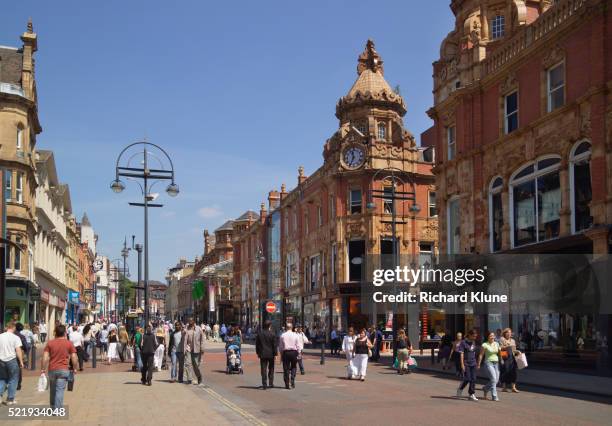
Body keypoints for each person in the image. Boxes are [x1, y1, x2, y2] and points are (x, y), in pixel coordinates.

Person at [41, 325, 78, 410]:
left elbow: (45, 357)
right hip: (64, 369)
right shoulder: (69, 343)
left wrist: (43, 369)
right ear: (65, 333)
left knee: (53, 390)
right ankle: (57, 409)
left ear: (55, 333)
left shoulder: (50, 343)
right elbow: (74, 357)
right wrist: (75, 368)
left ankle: (53, 407)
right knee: (60, 390)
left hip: (52, 369)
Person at [0, 322, 25, 405]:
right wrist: (21, 362)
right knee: (13, 379)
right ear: (13, 328)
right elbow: (18, 350)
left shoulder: (0, 336)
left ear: (7, 327)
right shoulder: (16, 337)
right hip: (12, 360)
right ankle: (10, 399)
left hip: (1, 360)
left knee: (2, 379)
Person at [456, 329, 479, 401]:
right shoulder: (463, 342)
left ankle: (471, 394)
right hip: (466, 363)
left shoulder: (473, 342)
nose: (474, 338)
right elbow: (461, 354)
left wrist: (476, 362)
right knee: (467, 378)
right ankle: (460, 389)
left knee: (473, 379)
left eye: (475, 336)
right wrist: (462, 364)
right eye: (473, 336)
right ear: (469, 335)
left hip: (473, 362)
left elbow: (474, 352)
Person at [478, 331, 501, 401]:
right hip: (488, 363)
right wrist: (478, 364)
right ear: (487, 337)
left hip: (496, 363)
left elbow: (500, 353)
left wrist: (502, 360)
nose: (492, 337)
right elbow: (481, 355)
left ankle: (485, 388)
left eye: (493, 336)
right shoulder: (485, 345)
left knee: (496, 380)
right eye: (491, 336)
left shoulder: (497, 344)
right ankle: (494, 396)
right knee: (493, 379)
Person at [255, 320, 278, 389]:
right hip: (271, 354)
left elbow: (257, 345)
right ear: (269, 326)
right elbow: (274, 345)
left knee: (263, 369)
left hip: (262, 353)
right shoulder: (272, 334)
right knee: (271, 369)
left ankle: (264, 384)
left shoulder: (259, 334)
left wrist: (258, 353)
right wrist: (275, 354)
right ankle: (271, 383)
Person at [279, 324, 300, 389]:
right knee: (294, 366)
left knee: (286, 368)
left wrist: (281, 353)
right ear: (292, 327)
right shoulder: (295, 335)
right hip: (294, 352)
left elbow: (280, 346)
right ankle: (292, 379)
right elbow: (298, 345)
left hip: (286, 352)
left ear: (286, 328)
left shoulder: (283, 335)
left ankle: (287, 383)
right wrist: (299, 353)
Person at [500, 328, 520, 393]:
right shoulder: (502, 339)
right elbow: (500, 348)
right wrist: (507, 346)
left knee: (514, 372)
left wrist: (518, 352)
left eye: (510, 332)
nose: (509, 334)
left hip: (512, 357)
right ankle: (504, 387)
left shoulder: (513, 340)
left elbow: (514, 350)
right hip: (505, 356)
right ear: (504, 333)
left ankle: (513, 387)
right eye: (507, 332)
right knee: (505, 371)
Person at [186, 318, 205, 384]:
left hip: (196, 349)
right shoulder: (186, 329)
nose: (190, 322)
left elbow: (202, 339)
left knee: (196, 365)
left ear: (194, 321)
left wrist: (202, 348)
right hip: (188, 349)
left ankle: (199, 376)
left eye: (191, 320)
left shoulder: (198, 329)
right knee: (188, 364)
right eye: (189, 321)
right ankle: (189, 379)